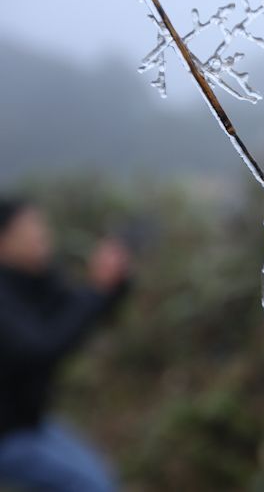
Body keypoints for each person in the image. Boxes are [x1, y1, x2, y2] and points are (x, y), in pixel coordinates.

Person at [0, 197, 130, 492]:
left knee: (101, 474)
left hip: (30, 422)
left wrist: (112, 283)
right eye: (30, 229)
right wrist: (97, 290)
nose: (42, 236)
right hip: (7, 433)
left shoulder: (34, 280)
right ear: (4, 240)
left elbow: (77, 308)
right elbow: (41, 347)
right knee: (92, 484)